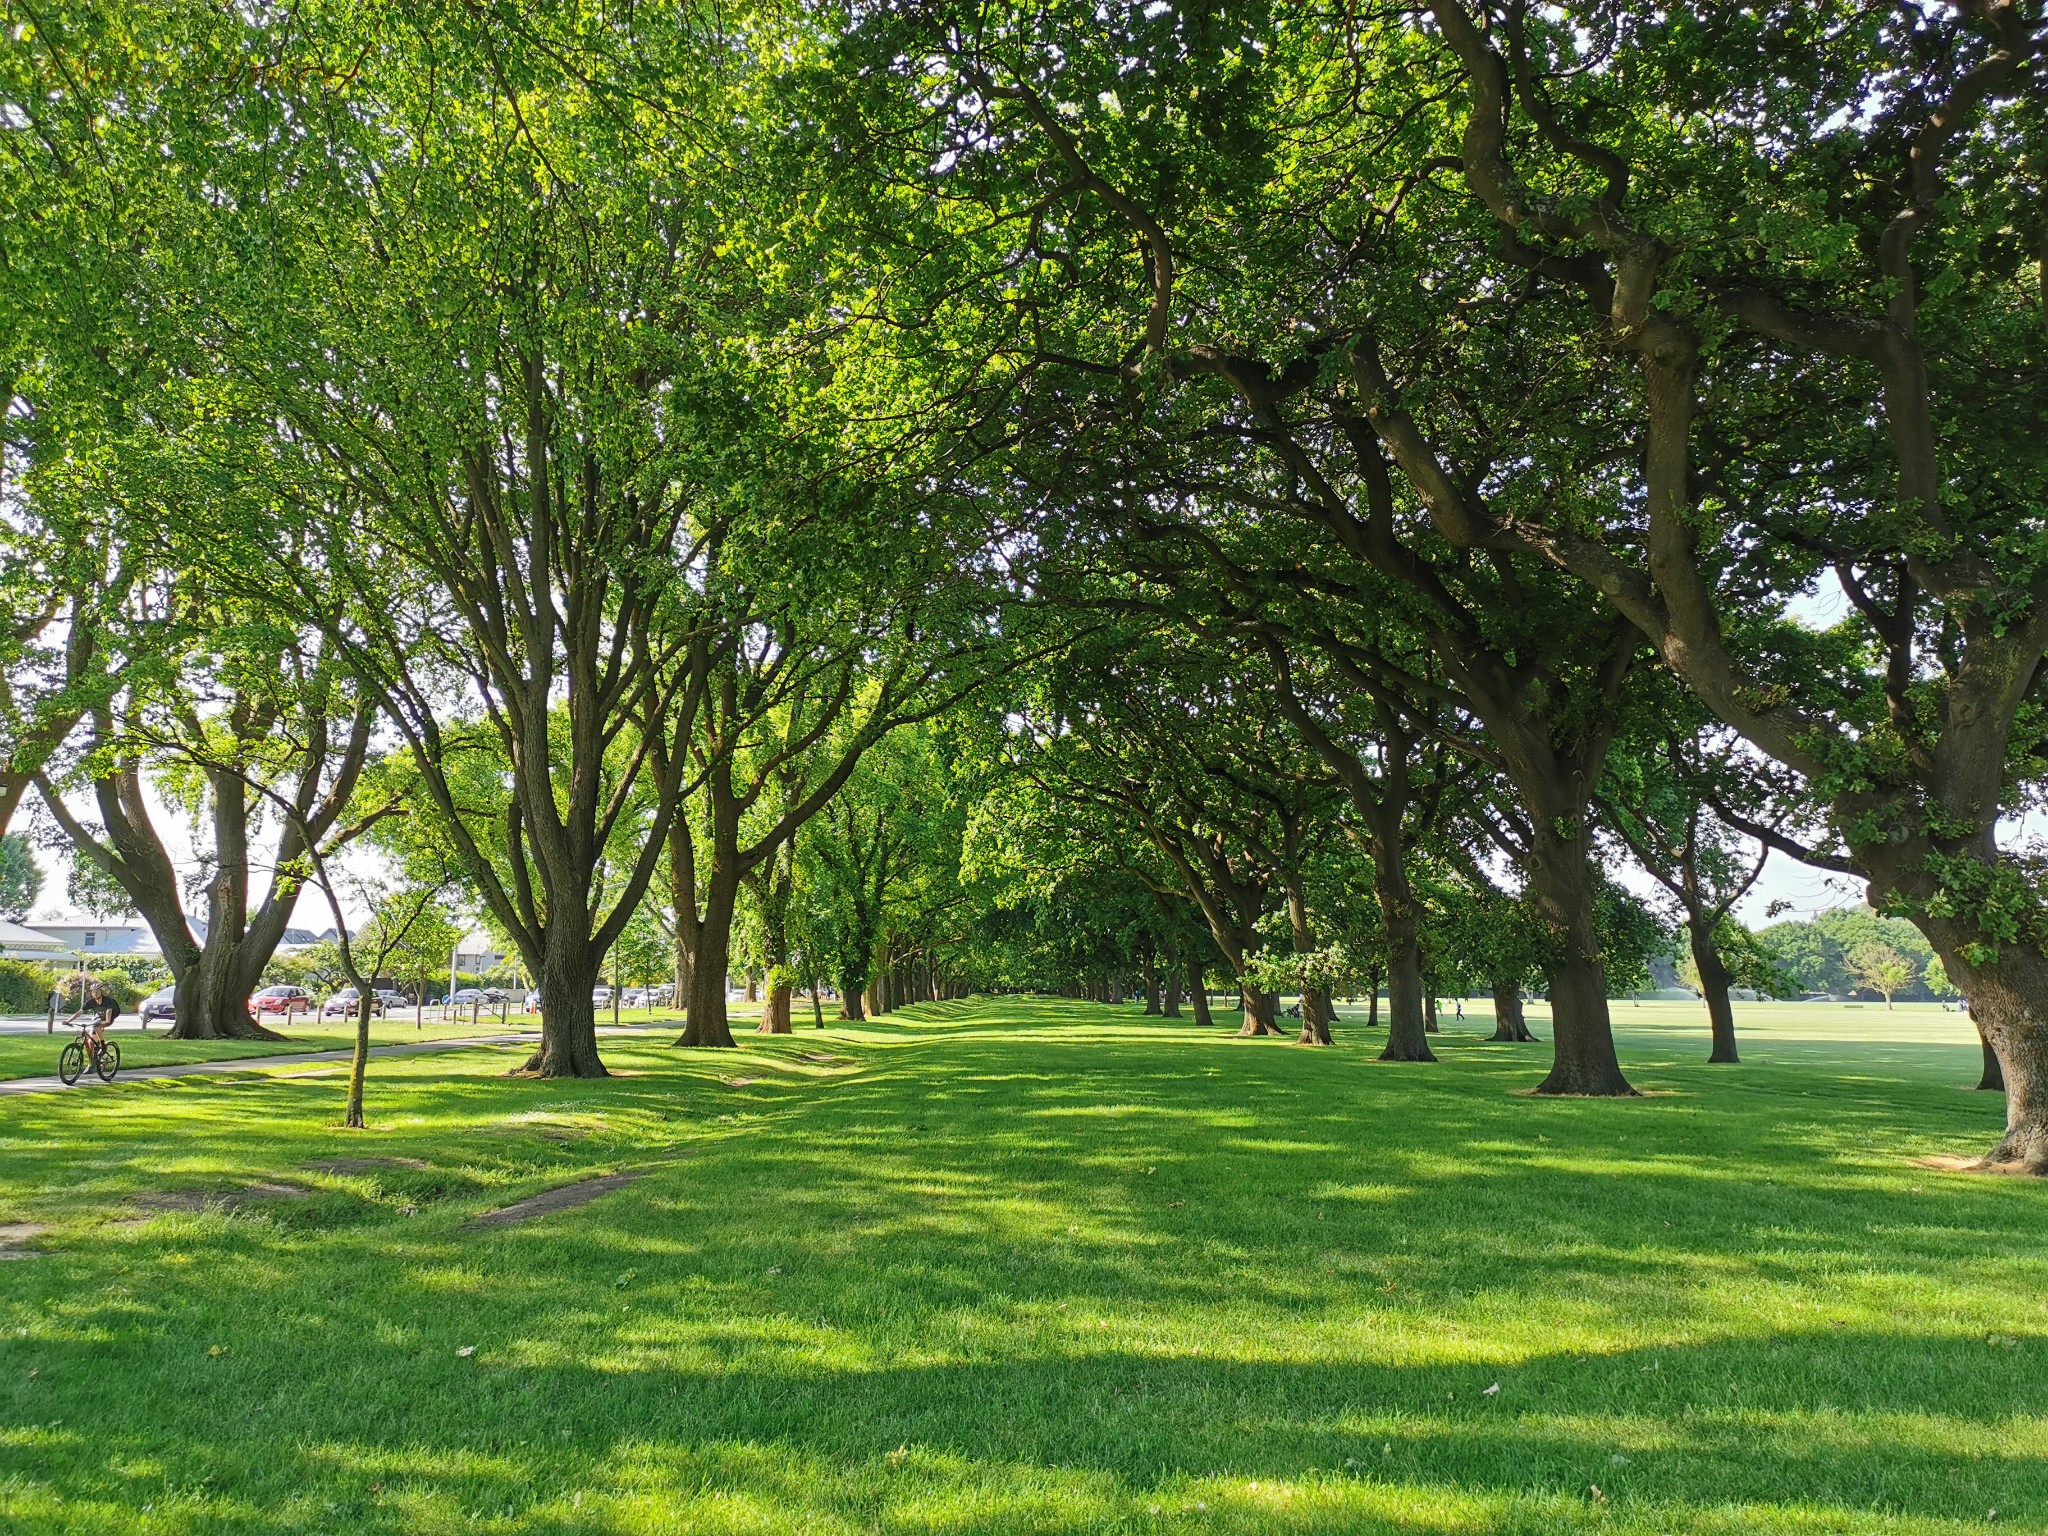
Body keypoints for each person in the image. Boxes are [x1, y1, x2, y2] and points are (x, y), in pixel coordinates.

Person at [64, 979, 120, 1055]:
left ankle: (103, 1046)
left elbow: (108, 1017)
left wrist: (102, 1023)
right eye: (93, 991)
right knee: (90, 1041)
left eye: (97, 991)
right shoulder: (90, 1002)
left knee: (95, 1025)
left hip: (108, 1018)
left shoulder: (108, 1001)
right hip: (98, 1018)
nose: (95, 993)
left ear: (101, 992)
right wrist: (68, 1021)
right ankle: (94, 1060)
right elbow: (79, 1012)